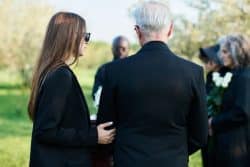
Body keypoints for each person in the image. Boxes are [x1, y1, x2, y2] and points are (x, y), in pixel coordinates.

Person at [97, 1, 208, 167]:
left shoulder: (114, 71)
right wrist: (176, 153)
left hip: (128, 160)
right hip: (173, 161)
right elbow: (200, 134)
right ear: (170, 30)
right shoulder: (193, 73)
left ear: (137, 32)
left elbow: (105, 127)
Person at [28, 12, 115, 167]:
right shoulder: (60, 76)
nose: (87, 41)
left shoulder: (52, 71)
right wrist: (93, 136)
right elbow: (46, 131)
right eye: (85, 36)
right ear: (69, 37)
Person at [209, 34, 250, 167]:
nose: (220, 55)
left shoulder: (245, 77)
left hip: (237, 145)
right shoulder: (229, 74)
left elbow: (242, 112)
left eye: (225, 51)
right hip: (223, 142)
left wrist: (213, 122)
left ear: (236, 52)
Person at [199, 43, 230, 167]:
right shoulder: (210, 76)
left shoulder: (228, 76)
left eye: (208, 60)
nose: (206, 64)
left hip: (222, 128)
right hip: (208, 129)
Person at [92, 36, 130, 103]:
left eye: (123, 49)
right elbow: (96, 94)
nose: (120, 51)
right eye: (117, 48)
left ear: (128, 49)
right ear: (112, 49)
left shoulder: (133, 69)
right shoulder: (103, 69)